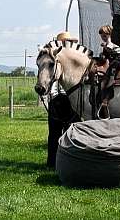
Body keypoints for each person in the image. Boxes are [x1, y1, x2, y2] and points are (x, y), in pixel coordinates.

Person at [46, 31, 81, 169]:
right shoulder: (54, 58)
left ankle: (67, 162)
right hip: (58, 98)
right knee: (55, 133)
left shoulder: (74, 58)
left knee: (70, 132)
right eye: (66, 41)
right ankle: (53, 163)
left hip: (69, 98)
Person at [97, 25, 120, 119]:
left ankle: (110, 82)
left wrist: (105, 46)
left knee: (111, 71)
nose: (103, 38)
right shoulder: (114, 41)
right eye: (102, 36)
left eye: (105, 36)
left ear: (109, 35)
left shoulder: (109, 42)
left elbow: (110, 48)